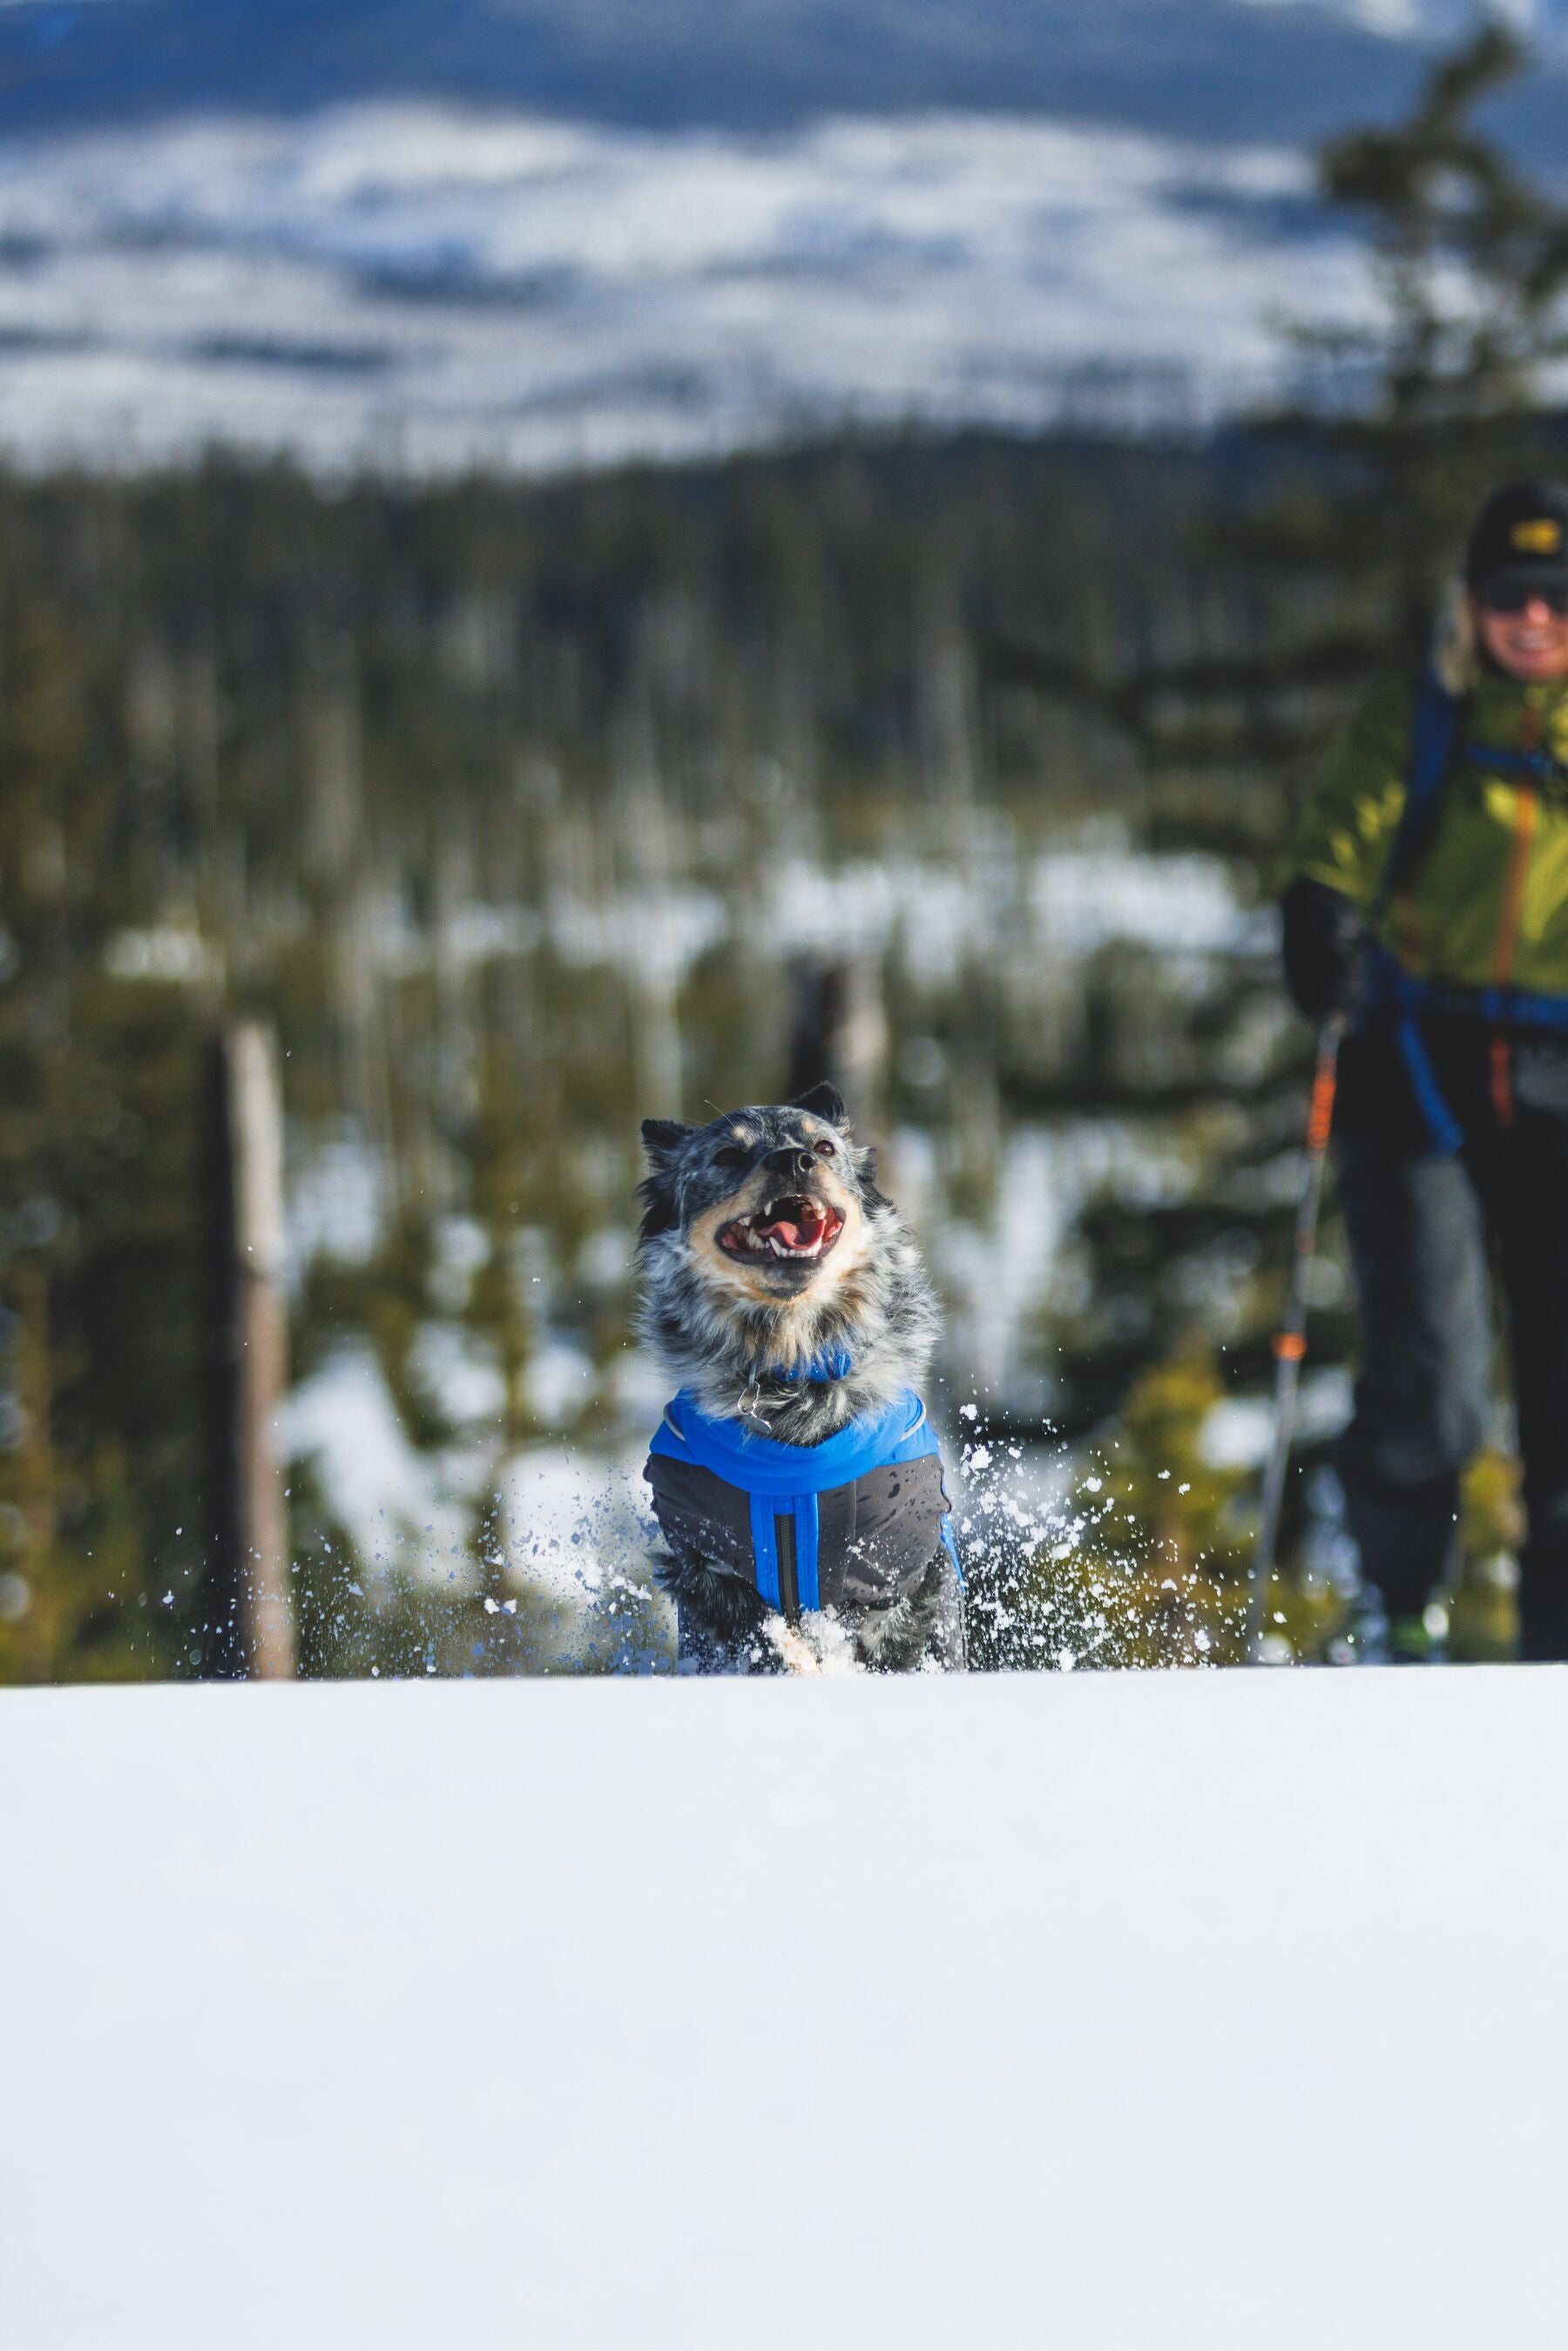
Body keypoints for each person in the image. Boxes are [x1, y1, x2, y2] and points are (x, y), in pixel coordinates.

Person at [1282, 478, 1568, 1661]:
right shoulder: (1419, 719)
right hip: (1419, 1066)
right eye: (1510, 593)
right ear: (1471, 601)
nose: (1534, 617)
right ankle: (1402, 1618)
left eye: (1557, 595)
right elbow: (1336, 845)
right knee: (1430, 1372)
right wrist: (1319, 920)